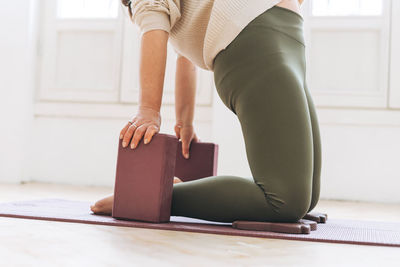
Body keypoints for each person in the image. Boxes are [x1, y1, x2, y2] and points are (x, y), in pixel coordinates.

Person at [91, 0, 322, 223]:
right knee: (285, 200)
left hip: (287, 41)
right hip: (256, 43)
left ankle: (168, 192)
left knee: (307, 197)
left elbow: (185, 58)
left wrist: (186, 123)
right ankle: (146, 197)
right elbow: (154, 29)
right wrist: (148, 111)